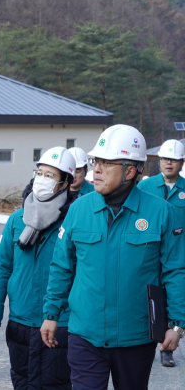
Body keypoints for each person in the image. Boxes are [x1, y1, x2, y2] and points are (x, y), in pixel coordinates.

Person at [40, 125, 185, 390]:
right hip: (85, 334)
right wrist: (51, 313)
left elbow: (175, 271)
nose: (96, 169)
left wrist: (177, 324)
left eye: (107, 163)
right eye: (96, 161)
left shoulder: (161, 213)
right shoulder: (78, 210)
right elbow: (62, 267)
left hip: (136, 337)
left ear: (130, 171)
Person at [0, 147, 77, 390]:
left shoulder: (73, 220)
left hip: (61, 321)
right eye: (40, 173)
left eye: (51, 175)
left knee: (56, 383)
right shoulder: (18, 219)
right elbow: (2, 267)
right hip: (21, 320)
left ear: (65, 183)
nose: (42, 180)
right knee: (23, 381)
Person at [137, 139, 185, 367]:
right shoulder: (145, 187)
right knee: (152, 299)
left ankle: (168, 348)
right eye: (165, 159)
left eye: (174, 160)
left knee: (174, 297)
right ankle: (148, 340)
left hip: (177, 254)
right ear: (159, 162)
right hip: (149, 252)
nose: (169, 163)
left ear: (181, 163)